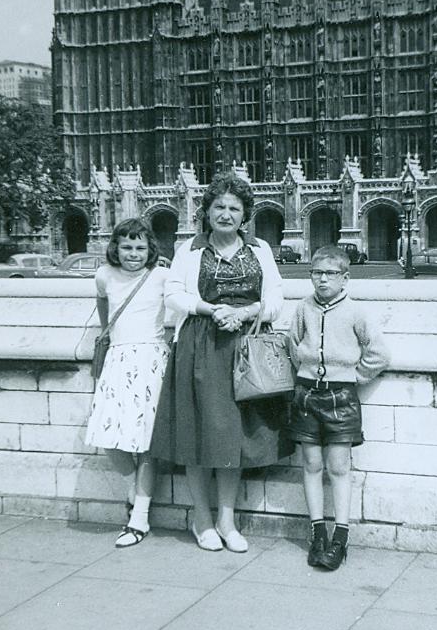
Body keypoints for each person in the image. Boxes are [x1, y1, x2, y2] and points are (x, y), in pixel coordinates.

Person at [151, 172, 292, 553]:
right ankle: (202, 519)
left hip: (245, 347)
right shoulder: (190, 250)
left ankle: (227, 521)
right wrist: (210, 309)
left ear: (244, 215)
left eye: (234, 208)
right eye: (219, 207)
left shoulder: (260, 249)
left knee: (235, 436)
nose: (226, 214)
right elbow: (174, 293)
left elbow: (277, 296)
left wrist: (247, 311)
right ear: (207, 211)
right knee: (199, 433)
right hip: (201, 345)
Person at [287, 245, 390, 570]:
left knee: (339, 467)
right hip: (306, 395)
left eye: (330, 274)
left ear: (345, 279)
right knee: (311, 463)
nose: (322, 280)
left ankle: (340, 538)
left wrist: (352, 377)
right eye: (317, 273)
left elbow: (379, 354)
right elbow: (293, 344)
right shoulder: (303, 308)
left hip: (341, 398)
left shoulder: (356, 312)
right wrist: (305, 373)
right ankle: (317, 532)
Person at [85, 218, 169, 548]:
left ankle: (140, 517)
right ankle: (135, 485)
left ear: (150, 250)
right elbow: (103, 301)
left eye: (140, 248)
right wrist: (109, 332)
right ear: (115, 248)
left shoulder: (162, 274)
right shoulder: (104, 274)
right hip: (118, 360)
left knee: (146, 442)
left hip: (150, 359)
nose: (133, 254)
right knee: (108, 436)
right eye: (126, 247)